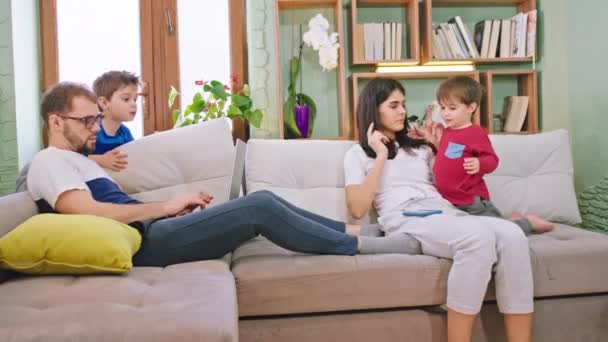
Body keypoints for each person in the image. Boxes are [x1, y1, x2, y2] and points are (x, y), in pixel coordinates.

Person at [27, 82, 423, 268]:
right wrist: (164, 206)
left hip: (153, 230)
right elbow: (90, 213)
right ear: (56, 122)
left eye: (97, 118)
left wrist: (168, 211)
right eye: (86, 121)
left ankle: (359, 233)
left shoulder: (79, 161)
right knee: (260, 206)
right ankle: (366, 246)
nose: (96, 127)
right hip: (143, 244)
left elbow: (108, 202)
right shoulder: (48, 163)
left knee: (260, 206)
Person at [344, 77, 534, 342]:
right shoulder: (357, 154)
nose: (402, 111)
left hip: (443, 210)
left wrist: (438, 145)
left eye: (404, 104)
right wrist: (381, 156)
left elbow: (448, 182)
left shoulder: (419, 147)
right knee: (477, 239)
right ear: (373, 109)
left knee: (513, 237)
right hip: (405, 216)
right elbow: (357, 208)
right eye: (394, 105)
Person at [417, 76, 553, 235]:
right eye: (442, 107)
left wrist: (480, 163)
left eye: (452, 108)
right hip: (449, 200)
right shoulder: (448, 131)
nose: (445, 113)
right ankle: (514, 219)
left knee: (498, 231)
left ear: (471, 107)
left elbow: (492, 160)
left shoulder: (475, 132)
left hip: (470, 201)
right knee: (465, 233)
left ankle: (528, 222)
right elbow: (450, 155)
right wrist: (432, 141)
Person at [88, 70, 139, 171]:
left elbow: (133, 155)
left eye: (135, 99)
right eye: (126, 99)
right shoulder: (92, 130)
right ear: (104, 103)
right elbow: (76, 157)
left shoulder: (125, 133)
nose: (134, 104)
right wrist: (101, 159)